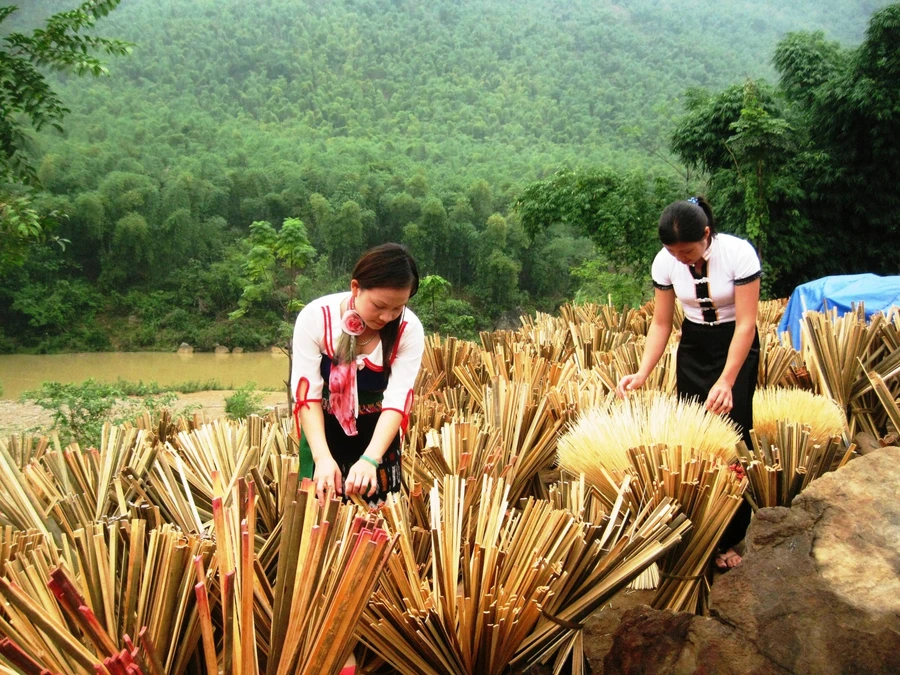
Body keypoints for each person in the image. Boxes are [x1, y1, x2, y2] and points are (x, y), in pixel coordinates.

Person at [615, 196, 761, 569]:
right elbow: (662, 323)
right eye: (674, 252)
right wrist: (643, 372)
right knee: (692, 439)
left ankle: (731, 537)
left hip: (735, 347)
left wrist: (728, 381)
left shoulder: (739, 255)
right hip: (694, 346)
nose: (682, 258)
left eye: (689, 251)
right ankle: (698, 531)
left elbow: (746, 324)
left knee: (733, 437)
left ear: (707, 235)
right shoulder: (666, 262)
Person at [291, 243, 424, 509]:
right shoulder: (315, 317)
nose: (387, 317)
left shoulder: (409, 329)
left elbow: (398, 401)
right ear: (355, 287)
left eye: (398, 308)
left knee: (378, 518)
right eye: (379, 305)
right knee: (319, 513)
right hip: (323, 429)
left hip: (377, 432)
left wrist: (370, 460)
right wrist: (322, 458)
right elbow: (307, 396)